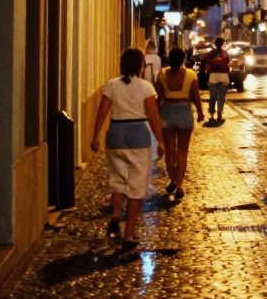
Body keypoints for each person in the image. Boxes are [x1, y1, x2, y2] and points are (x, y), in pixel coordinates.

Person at [90, 48, 165, 246]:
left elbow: (102, 112)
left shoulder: (112, 85)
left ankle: (115, 217)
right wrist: (161, 140)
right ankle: (128, 234)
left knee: (118, 181)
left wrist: (95, 136)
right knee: (137, 187)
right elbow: (153, 115)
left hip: (116, 135)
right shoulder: (146, 88)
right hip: (138, 137)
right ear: (141, 65)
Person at [156, 47, 205, 199]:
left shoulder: (162, 75)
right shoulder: (191, 74)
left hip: (167, 111)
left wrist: (157, 116)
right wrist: (200, 112)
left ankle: (171, 180)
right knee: (183, 151)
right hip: (184, 111)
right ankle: (179, 186)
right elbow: (195, 95)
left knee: (170, 151)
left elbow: (159, 98)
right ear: (183, 59)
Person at [200, 37, 231, 121]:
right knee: (221, 96)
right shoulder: (225, 53)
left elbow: (204, 60)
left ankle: (212, 114)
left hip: (213, 76)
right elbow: (227, 62)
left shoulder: (211, 53)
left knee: (212, 96)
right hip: (223, 76)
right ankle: (219, 114)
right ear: (222, 44)